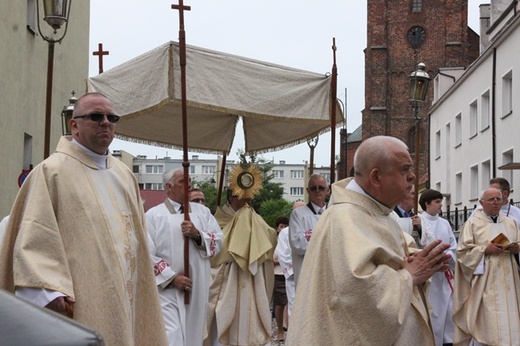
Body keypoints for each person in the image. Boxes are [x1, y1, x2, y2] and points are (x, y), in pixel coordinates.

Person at [0, 92, 167, 345]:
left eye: (112, 117)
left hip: (129, 292)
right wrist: (49, 289)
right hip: (83, 298)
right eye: (96, 116)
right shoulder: (51, 172)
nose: (106, 122)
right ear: (74, 125)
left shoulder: (124, 175)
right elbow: (34, 235)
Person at [286, 135, 451, 346]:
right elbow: (357, 292)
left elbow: (397, 254)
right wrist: (408, 276)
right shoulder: (344, 218)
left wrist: (423, 260)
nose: (412, 176)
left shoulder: (381, 212)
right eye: (404, 169)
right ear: (376, 177)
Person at [147, 169, 223, 346]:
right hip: (167, 289)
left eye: (190, 181)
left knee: (193, 334)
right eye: (183, 182)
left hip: (197, 286)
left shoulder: (203, 213)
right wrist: (173, 278)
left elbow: (218, 242)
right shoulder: (153, 215)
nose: (189, 185)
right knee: (171, 334)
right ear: (169, 186)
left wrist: (197, 235)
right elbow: (147, 253)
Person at [205, 164, 278, 346]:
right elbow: (214, 248)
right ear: (232, 197)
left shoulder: (253, 217)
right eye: (243, 197)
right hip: (227, 276)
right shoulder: (218, 219)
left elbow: (270, 236)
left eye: (250, 198)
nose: (248, 202)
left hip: (252, 281)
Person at [453, 187, 520, 346]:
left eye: (498, 199)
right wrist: (484, 249)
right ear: (481, 203)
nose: (496, 202)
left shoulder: (511, 223)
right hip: (485, 280)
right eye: (491, 199)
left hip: (509, 278)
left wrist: (516, 248)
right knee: (488, 319)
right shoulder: (472, 224)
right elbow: (463, 253)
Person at [418, 189, 457, 346]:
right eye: (437, 202)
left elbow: (454, 246)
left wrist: (448, 257)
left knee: (449, 312)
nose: (441, 205)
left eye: (441, 201)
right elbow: (419, 245)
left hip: (445, 274)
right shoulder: (419, 221)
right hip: (429, 278)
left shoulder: (445, 222)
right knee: (434, 313)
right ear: (427, 204)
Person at [289, 174, 329, 288]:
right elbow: (298, 244)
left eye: (321, 187)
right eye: (313, 188)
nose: (317, 191)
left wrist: (313, 237)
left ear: (327, 190)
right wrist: (325, 240)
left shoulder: (333, 214)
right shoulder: (298, 214)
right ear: (307, 190)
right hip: (307, 272)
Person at [275, 201, 305, 330]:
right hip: (294, 276)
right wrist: (294, 272)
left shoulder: (313, 227)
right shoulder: (285, 232)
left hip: (312, 275)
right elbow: (283, 255)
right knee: (295, 306)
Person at [273, 216, 289, 342]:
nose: (283, 228)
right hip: (279, 274)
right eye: (281, 226)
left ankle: (288, 324)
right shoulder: (274, 241)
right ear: (277, 228)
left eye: (285, 226)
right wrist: (282, 261)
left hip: (292, 273)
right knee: (280, 302)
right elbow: (270, 259)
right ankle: (279, 330)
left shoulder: (289, 239)